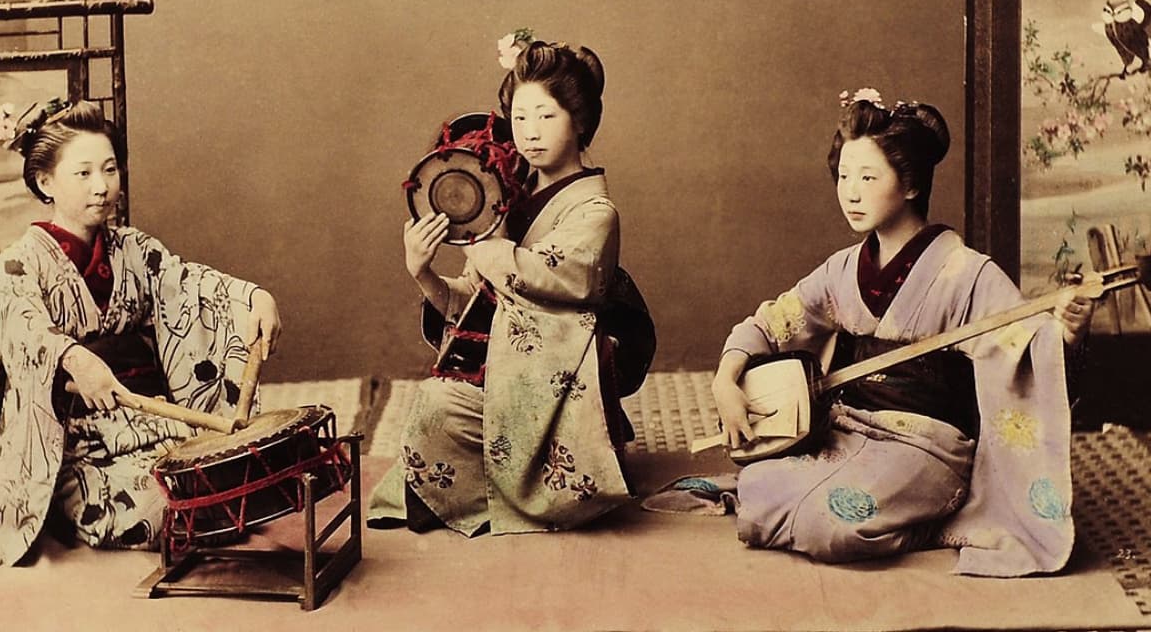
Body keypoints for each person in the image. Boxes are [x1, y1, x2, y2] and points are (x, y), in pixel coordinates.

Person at [0, 99, 282, 588]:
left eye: (110, 169)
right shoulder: (21, 263)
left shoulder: (132, 248)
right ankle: (55, 503)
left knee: (222, 474)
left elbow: (187, 283)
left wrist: (252, 298)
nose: (102, 186)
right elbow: (25, 331)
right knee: (158, 503)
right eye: (84, 173)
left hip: (147, 417)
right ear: (46, 183)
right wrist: (74, 358)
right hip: (72, 440)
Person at [709, 89, 1093, 576]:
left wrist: (1067, 333)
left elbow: (1028, 349)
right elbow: (772, 323)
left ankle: (936, 518)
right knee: (758, 492)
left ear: (910, 184)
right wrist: (727, 377)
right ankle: (897, 508)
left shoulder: (966, 273)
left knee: (833, 523)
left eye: (868, 177)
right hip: (849, 428)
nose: (851, 192)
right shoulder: (842, 270)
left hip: (928, 444)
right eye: (844, 176)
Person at [368, 38, 654, 535]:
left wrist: (485, 243)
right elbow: (473, 304)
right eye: (520, 119)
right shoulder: (513, 196)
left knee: (441, 407)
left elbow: (534, 274)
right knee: (436, 400)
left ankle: (559, 460)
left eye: (546, 117)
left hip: (558, 374)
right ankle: (478, 483)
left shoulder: (595, 213)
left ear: (581, 121)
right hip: (510, 366)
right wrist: (424, 271)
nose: (530, 134)